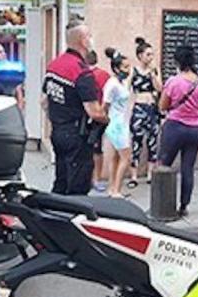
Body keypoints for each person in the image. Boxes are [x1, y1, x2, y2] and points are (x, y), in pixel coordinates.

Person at [43, 22, 107, 195]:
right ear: (83, 41)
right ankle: (70, 219)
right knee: (78, 186)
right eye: (89, 36)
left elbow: (45, 101)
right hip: (77, 136)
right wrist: (106, 118)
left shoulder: (54, 66)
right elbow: (94, 112)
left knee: (61, 180)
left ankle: (53, 216)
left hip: (58, 131)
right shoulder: (81, 72)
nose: (92, 40)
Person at [159, 46, 198, 217]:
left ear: (177, 62)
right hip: (195, 129)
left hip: (174, 127)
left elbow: (162, 106)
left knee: (164, 165)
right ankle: (184, 206)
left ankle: (161, 204)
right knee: (187, 168)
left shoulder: (173, 82)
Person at [128, 39, 162, 189]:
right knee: (136, 141)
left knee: (153, 142)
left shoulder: (154, 70)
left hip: (152, 108)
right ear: (140, 55)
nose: (151, 57)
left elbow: (160, 88)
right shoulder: (133, 70)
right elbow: (127, 88)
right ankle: (134, 175)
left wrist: (154, 73)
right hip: (139, 107)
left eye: (152, 54)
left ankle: (150, 174)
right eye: (148, 54)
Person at [102, 51, 133, 197]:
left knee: (115, 156)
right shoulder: (112, 85)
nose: (128, 70)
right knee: (126, 157)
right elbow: (105, 106)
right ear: (116, 69)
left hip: (122, 121)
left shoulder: (123, 82)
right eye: (125, 67)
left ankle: (112, 187)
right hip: (116, 124)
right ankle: (117, 189)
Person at [88, 50, 113, 193]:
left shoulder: (83, 75)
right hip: (101, 116)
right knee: (97, 149)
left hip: (87, 115)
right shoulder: (104, 75)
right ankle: (96, 178)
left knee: (89, 148)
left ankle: (91, 178)